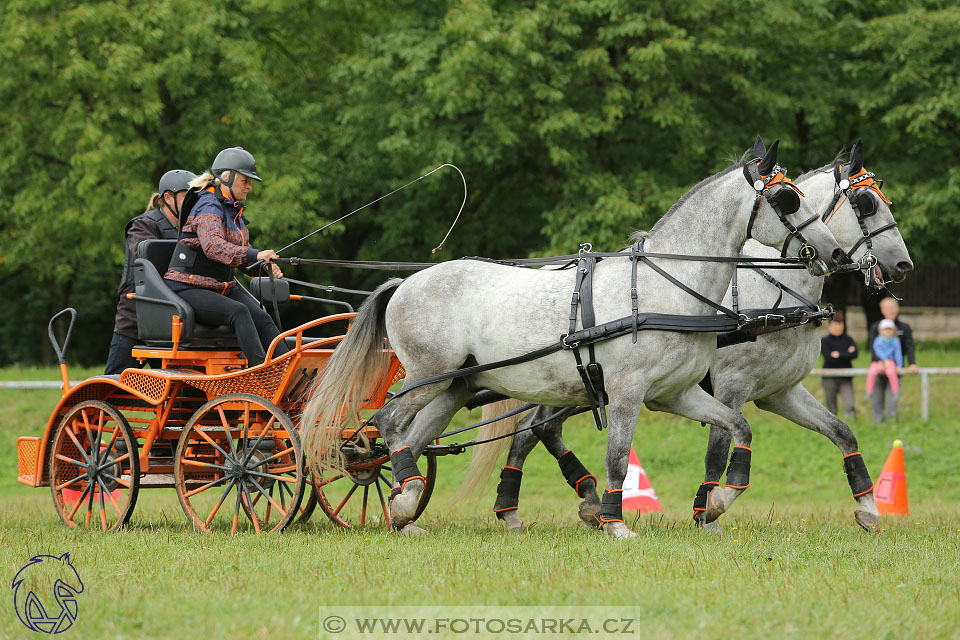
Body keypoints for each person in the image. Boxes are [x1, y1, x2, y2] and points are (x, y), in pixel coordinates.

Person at [163, 147, 289, 366]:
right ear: (227, 178)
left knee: (261, 317)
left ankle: (288, 371)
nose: (249, 187)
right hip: (189, 286)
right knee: (239, 312)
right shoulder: (208, 205)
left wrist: (262, 265)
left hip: (221, 286)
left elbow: (241, 256)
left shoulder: (233, 211)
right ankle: (260, 375)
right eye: (245, 181)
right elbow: (213, 246)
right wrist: (256, 253)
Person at [105, 169, 197, 375]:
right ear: (168, 198)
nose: (194, 203)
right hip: (136, 320)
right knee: (111, 388)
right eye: (188, 196)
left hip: (172, 325)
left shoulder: (191, 229)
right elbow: (144, 257)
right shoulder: (143, 225)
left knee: (183, 394)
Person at [867, 297, 918, 422]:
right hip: (879, 367)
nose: (890, 311)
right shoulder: (876, 327)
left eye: (893, 307)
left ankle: (892, 423)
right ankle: (878, 424)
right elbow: (873, 347)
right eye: (887, 308)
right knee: (877, 399)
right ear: (882, 310)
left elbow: (909, 346)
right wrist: (880, 362)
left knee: (893, 397)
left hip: (895, 369)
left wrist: (912, 364)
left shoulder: (904, 328)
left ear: (898, 308)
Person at [820, 311, 858, 418]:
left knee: (849, 405)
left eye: (840, 324)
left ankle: (853, 426)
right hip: (829, 378)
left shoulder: (848, 339)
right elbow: (828, 358)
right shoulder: (825, 341)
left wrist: (838, 354)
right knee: (831, 407)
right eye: (835, 325)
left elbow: (855, 354)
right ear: (830, 326)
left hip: (845, 378)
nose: (838, 327)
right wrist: (847, 353)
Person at [866, 319, 902, 400]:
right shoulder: (878, 341)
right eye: (885, 329)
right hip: (879, 361)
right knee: (871, 372)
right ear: (880, 331)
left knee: (891, 372)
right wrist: (884, 360)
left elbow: (898, 354)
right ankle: (869, 391)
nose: (888, 332)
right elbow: (877, 351)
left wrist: (899, 365)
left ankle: (895, 391)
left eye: (890, 329)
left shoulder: (896, 342)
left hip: (890, 362)